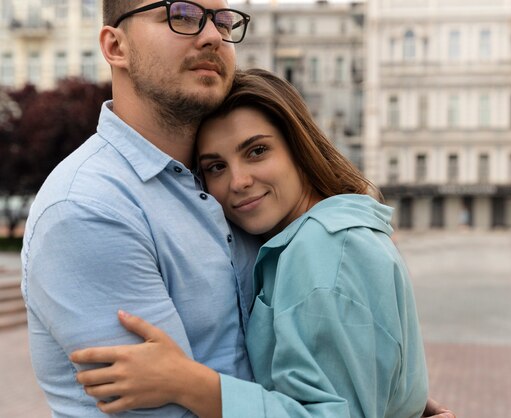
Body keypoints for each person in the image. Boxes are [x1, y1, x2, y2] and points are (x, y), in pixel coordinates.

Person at [71, 69, 456, 418]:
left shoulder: (322, 249)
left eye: (257, 151)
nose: (238, 181)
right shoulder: (325, 236)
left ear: (298, 148)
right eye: (216, 167)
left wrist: (188, 384)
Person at [20, 1, 258, 416]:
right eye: (181, 15)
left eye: (223, 21)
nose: (213, 37)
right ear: (115, 46)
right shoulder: (87, 208)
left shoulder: (233, 184)